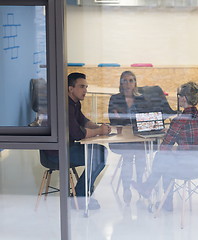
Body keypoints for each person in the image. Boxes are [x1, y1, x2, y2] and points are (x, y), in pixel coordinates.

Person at [132, 81, 198, 211]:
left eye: (180, 95)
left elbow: (164, 147)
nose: (178, 97)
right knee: (168, 158)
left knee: (162, 156)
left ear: (184, 99)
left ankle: (156, 193)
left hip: (185, 167)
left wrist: (170, 133)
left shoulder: (179, 121)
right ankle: (153, 191)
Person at [44, 72, 111, 210]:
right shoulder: (65, 106)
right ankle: (80, 197)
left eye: (86, 87)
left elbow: (83, 121)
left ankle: (81, 195)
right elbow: (77, 133)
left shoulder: (74, 103)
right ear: (70, 88)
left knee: (100, 152)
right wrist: (99, 132)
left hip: (66, 147)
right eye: (82, 86)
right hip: (56, 153)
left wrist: (99, 127)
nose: (85, 90)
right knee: (99, 155)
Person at [108, 71, 149, 204]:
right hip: (123, 137)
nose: (128, 83)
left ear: (135, 83)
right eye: (124, 80)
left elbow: (145, 119)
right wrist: (126, 121)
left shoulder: (142, 99)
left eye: (131, 80)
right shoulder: (115, 98)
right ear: (120, 83)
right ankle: (126, 188)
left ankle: (139, 182)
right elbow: (114, 120)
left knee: (141, 154)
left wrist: (124, 119)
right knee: (128, 156)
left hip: (139, 136)